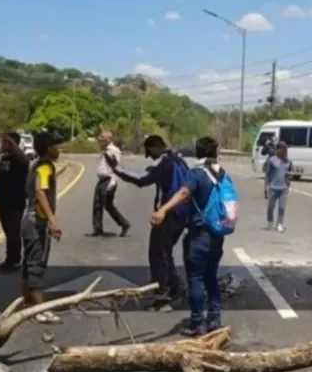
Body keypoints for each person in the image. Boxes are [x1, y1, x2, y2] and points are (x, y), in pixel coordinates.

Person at [151, 136, 232, 336]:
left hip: (198, 235)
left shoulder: (196, 173)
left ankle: (198, 323)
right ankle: (215, 319)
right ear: (216, 152)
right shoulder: (222, 173)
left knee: (195, 278)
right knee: (211, 277)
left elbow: (184, 194)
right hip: (217, 234)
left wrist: (163, 210)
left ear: (197, 152)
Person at [104, 134, 189, 312]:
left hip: (167, 213)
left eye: (149, 152)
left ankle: (162, 298)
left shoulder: (163, 163)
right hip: (182, 214)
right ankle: (175, 288)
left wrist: (116, 168)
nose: (148, 156)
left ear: (155, 148)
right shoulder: (180, 161)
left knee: (157, 255)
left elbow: (141, 179)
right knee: (166, 253)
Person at [21, 131, 65, 324]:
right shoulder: (46, 167)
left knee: (28, 265)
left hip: (27, 219)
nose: (59, 150)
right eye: (56, 146)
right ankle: (40, 309)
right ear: (49, 149)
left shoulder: (36, 165)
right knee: (37, 265)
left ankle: (27, 305)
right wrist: (52, 219)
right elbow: (40, 192)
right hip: (36, 221)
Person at [0, 132, 29, 272]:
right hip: (3, 201)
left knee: (13, 232)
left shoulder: (20, 159)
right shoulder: (4, 158)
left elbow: (24, 172)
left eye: (5, 142)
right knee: (8, 232)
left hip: (15, 201)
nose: (2, 144)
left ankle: (15, 262)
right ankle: (9, 259)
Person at [88, 130, 130, 237]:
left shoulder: (113, 150)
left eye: (102, 137)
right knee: (97, 204)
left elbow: (116, 167)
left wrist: (113, 182)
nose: (100, 139)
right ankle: (97, 228)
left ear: (108, 139)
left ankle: (124, 224)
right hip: (101, 180)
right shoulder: (103, 150)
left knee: (108, 205)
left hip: (109, 180)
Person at [264, 141, 293, 232]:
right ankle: (270, 222)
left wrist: (289, 177)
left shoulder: (288, 161)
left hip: (283, 188)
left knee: (282, 207)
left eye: (286, 150)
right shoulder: (272, 160)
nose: (285, 152)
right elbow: (267, 175)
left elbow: (291, 173)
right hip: (273, 187)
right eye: (284, 150)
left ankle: (279, 224)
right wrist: (265, 187)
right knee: (271, 207)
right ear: (278, 150)